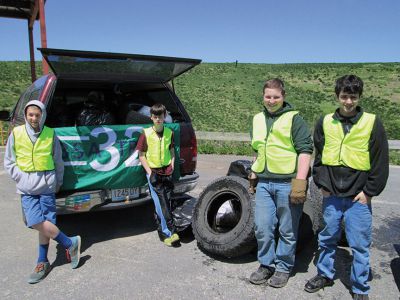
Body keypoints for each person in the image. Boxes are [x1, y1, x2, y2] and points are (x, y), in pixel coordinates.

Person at [304, 75, 389, 300]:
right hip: (331, 193)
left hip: (358, 197)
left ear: (359, 97)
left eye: (353, 97)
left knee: (359, 245)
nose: (348, 102)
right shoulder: (325, 121)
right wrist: (322, 184)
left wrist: (369, 192)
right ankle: (325, 274)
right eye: (344, 96)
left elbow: (380, 161)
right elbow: (319, 156)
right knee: (326, 238)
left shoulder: (372, 122)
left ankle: (360, 288)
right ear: (337, 96)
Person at [4, 100, 82, 284]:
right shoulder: (17, 133)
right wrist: (20, 177)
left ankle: (42, 261)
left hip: (47, 186)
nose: (34, 118)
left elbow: (58, 160)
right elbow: (9, 161)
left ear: (42, 115)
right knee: (34, 221)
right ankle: (70, 243)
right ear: (26, 115)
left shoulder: (50, 133)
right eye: (31, 115)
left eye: (37, 115)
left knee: (47, 223)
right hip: (27, 186)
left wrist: (58, 181)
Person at [249, 79, 313, 288]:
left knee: (288, 229)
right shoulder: (257, 119)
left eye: (276, 96)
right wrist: (254, 171)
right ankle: (266, 265)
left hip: (287, 182)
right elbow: (259, 148)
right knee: (262, 226)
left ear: (283, 96)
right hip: (264, 182)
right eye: (268, 96)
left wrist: (300, 183)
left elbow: (305, 150)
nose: (271, 100)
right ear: (263, 96)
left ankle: (283, 268)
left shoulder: (294, 119)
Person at [136, 103, 179, 246]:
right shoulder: (146, 133)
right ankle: (166, 233)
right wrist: (150, 173)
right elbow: (141, 155)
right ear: (151, 117)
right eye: (155, 117)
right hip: (153, 173)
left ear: (164, 116)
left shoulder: (169, 133)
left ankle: (171, 231)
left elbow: (172, 151)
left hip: (166, 171)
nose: (158, 119)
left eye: (160, 116)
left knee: (168, 201)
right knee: (159, 204)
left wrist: (172, 165)